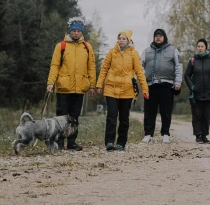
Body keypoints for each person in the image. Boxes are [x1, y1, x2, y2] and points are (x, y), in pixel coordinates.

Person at [46, 17, 96, 151]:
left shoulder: (87, 47)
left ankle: (72, 142)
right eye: (73, 30)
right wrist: (51, 82)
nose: (76, 33)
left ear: (82, 32)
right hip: (63, 87)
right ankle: (60, 143)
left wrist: (92, 85)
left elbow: (91, 67)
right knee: (62, 117)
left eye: (78, 31)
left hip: (80, 88)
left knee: (75, 117)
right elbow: (55, 65)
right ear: (69, 31)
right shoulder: (61, 46)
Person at [96, 31, 149, 151]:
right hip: (111, 88)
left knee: (124, 118)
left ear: (128, 40)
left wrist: (145, 89)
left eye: (123, 38)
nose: (120, 40)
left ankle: (121, 142)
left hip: (127, 90)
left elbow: (140, 72)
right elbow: (104, 69)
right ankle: (109, 142)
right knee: (111, 116)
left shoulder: (134, 54)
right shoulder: (111, 52)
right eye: (119, 38)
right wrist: (99, 85)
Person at [141, 28, 182, 144]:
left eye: (160, 35)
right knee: (149, 112)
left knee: (166, 111)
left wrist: (178, 82)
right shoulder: (147, 51)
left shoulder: (173, 50)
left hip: (167, 85)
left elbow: (179, 66)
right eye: (156, 36)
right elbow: (140, 66)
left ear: (164, 37)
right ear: (154, 38)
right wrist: (143, 79)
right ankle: (148, 134)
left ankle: (166, 134)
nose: (158, 37)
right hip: (150, 86)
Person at [184, 38, 210, 144]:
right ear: (196, 48)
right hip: (197, 93)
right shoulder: (192, 61)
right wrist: (192, 87)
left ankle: (204, 135)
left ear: (206, 48)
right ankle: (198, 136)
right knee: (197, 115)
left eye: (202, 46)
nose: (200, 48)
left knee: (206, 115)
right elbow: (187, 75)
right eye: (198, 46)